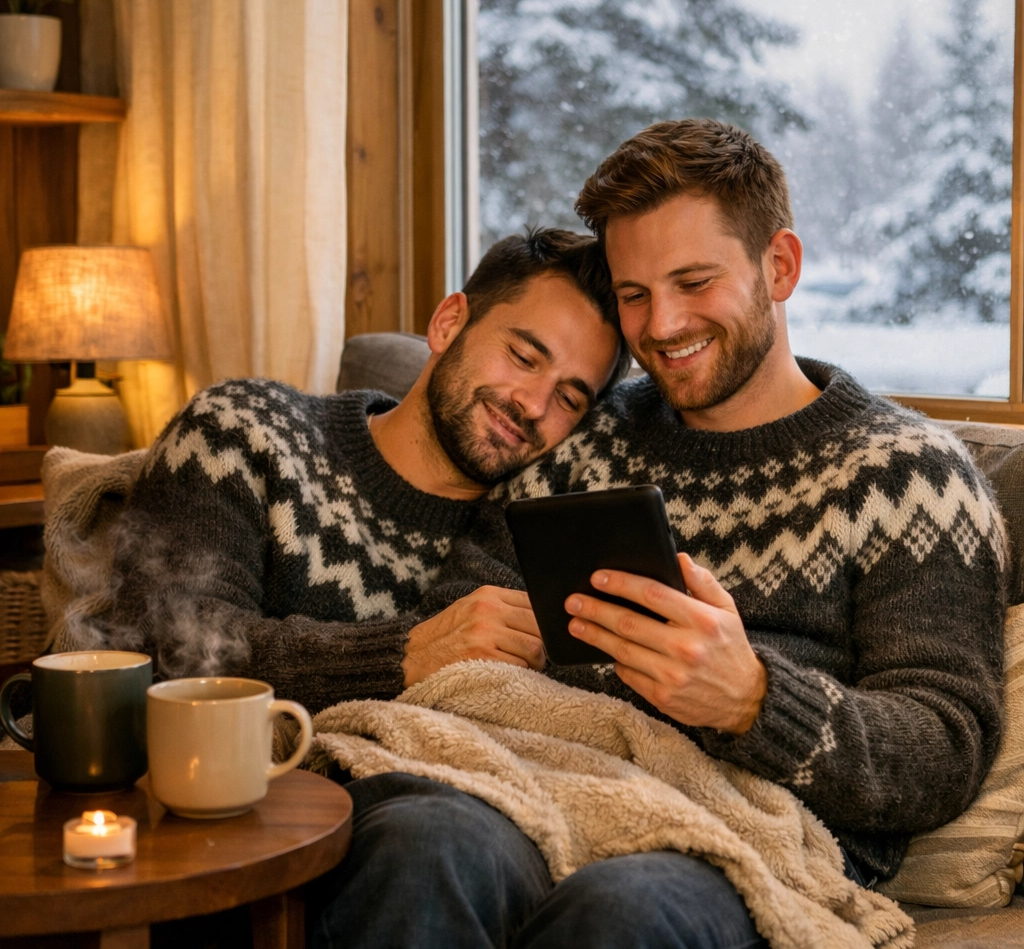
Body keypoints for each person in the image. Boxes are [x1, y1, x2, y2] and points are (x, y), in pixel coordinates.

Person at [314, 120, 1008, 949]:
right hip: (525, 777)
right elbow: (464, 613)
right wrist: (503, 638)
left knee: (625, 912)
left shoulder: (909, 477)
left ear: (778, 267)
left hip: (746, 834)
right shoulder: (583, 434)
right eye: (634, 293)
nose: (661, 325)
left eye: (693, 282)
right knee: (417, 846)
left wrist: (753, 699)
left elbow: (944, 745)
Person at [107, 229, 628, 713]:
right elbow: (163, 640)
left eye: (568, 398)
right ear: (449, 323)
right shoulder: (243, 429)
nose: (534, 405)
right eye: (522, 356)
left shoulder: (526, 538)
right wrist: (401, 655)